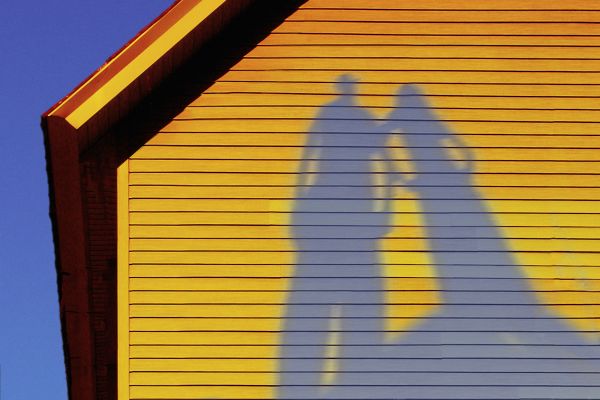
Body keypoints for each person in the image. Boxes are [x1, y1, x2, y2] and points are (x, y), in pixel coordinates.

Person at [278, 74, 400, 399]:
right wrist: (387, 206)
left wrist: (299, 204)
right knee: (339, 307)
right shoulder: (354, 118)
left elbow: (309, 158)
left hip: (342, 210)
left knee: (350, 308)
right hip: (341, 211)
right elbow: (383, 162)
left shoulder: (338, 116)